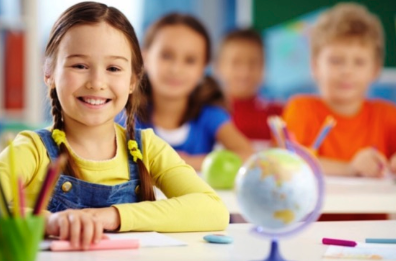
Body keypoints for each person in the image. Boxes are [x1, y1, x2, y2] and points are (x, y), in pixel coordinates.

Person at [0, 2, 229, 250]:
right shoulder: (32, 150)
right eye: (79, 65)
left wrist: (112, 216)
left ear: (132, 80)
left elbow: (213, 209)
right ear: (49, 72)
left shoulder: (148, 148)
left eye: (113, 68)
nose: (97, 82)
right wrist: (50, 221)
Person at [283, 3, 396, 177]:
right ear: (315, 66)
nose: (347, 71)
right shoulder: (301, 109)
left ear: (375, 70)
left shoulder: (387, 115)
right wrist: (350, 168)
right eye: (336, 60)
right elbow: (290, 162)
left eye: (359, 62)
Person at [134, 13, 254, 170]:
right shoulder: (127, 116)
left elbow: (248, 155)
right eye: (167, 56)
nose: (176, 69)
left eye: (190, 60)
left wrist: (188, 163)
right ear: (145, 58)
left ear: (203, 69)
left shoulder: (210, 116)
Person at [214, 29, 283, 141]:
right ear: (218, 67)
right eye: (236, 62)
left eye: (253, 62)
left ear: (264, 66)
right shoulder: (206, 113)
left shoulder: (278, 115)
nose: (245, 72)